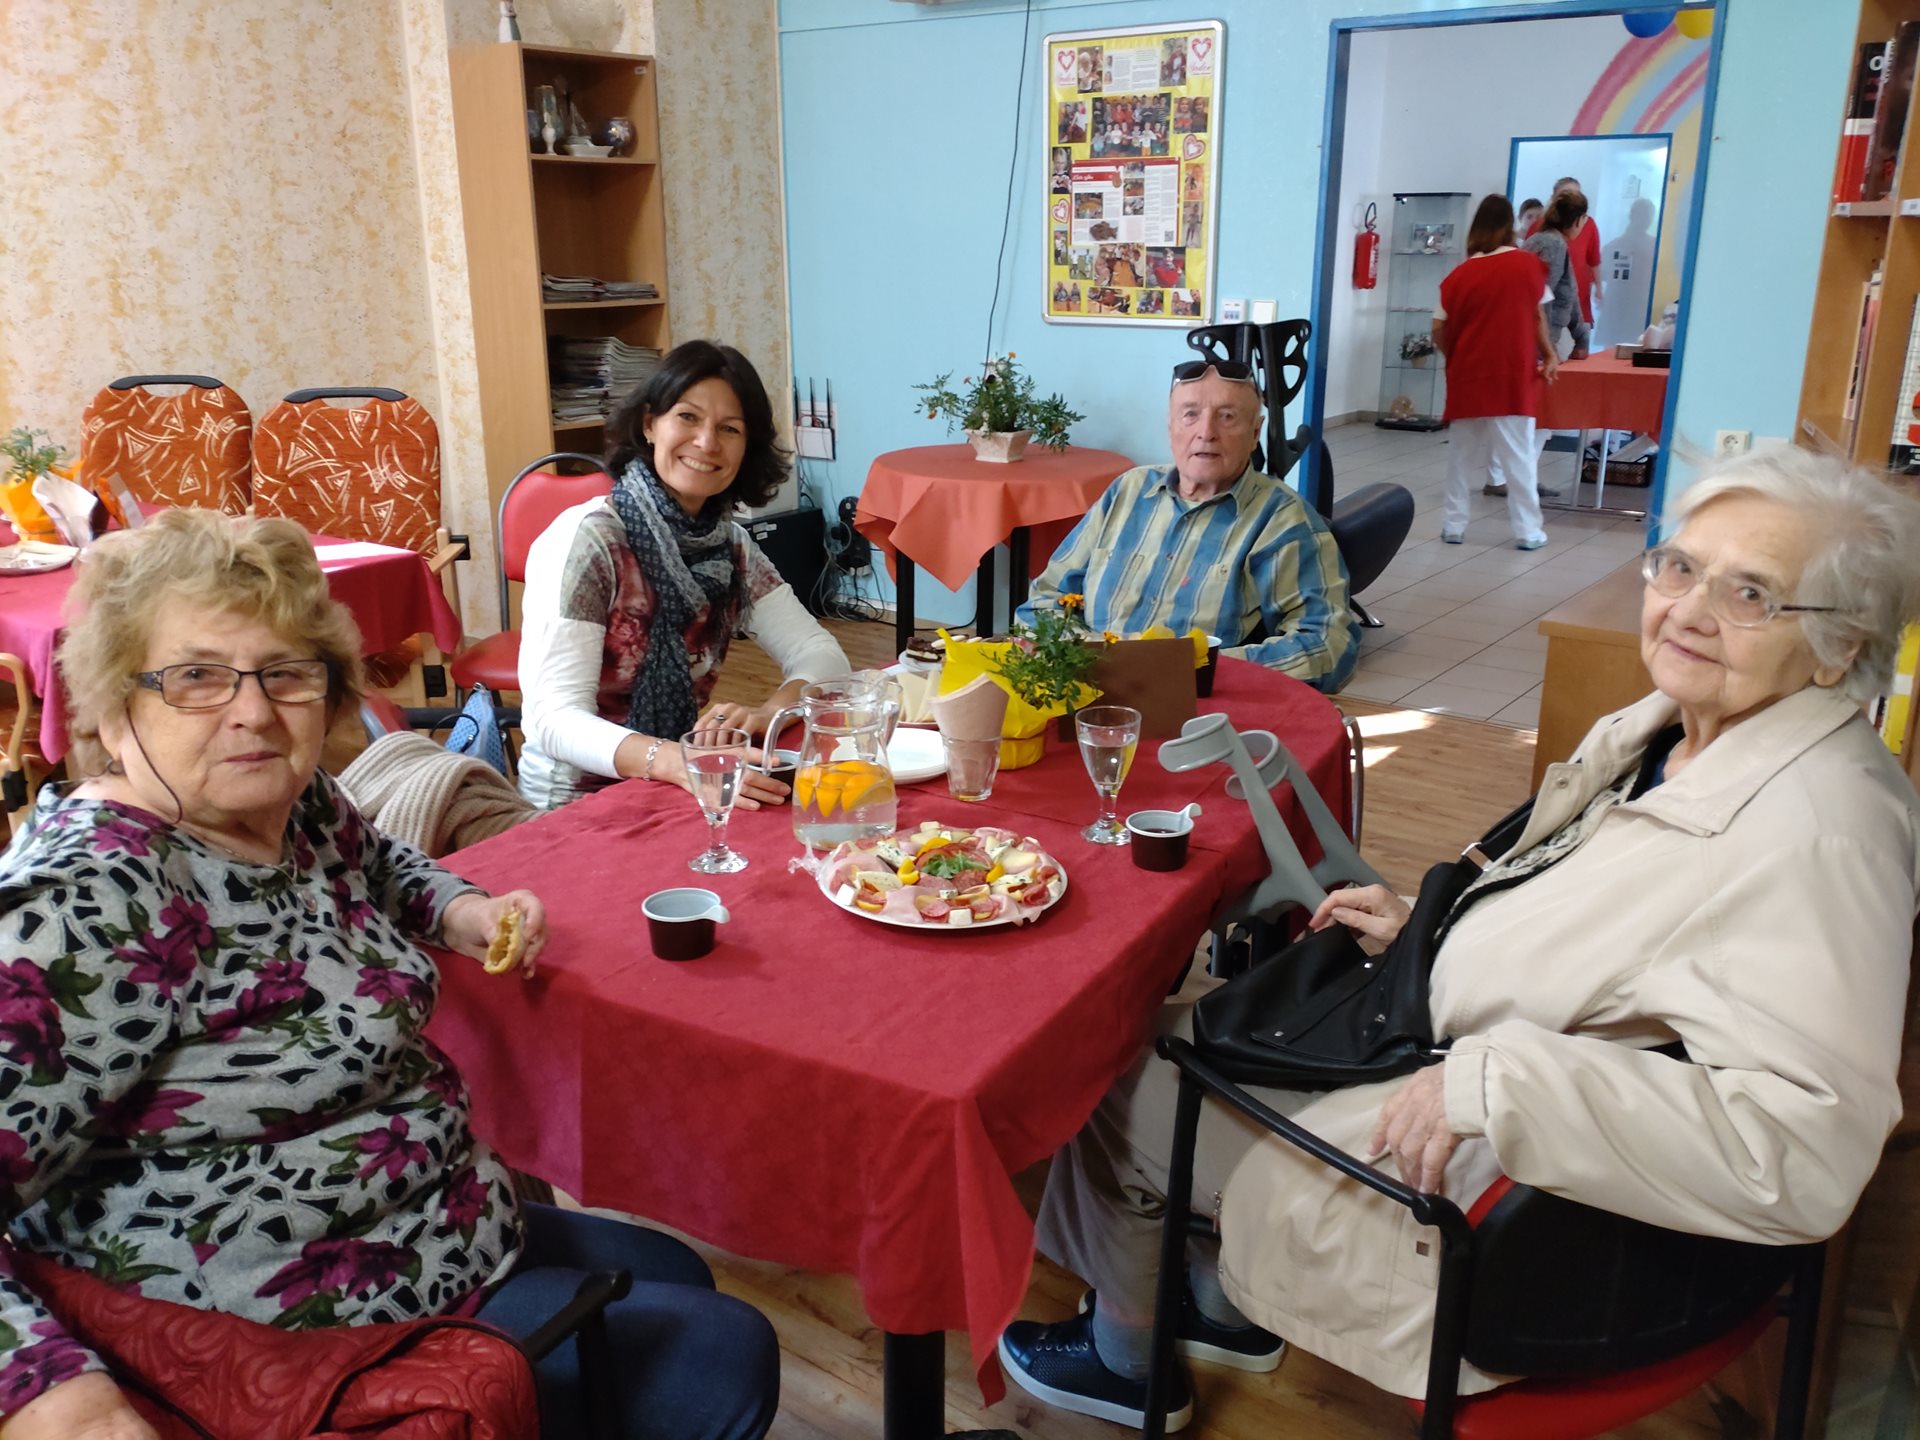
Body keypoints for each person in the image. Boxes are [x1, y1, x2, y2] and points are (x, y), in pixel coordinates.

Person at [999, 447, 1920, 1431]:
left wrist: (1500, 1085)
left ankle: (1127, 1362)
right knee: (1199, 1017)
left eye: (1751, 594)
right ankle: (1219, 1309)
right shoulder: (1675, 733)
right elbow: (1603, 926)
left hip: (1487, 1198)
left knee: (1113, 1071)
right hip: (1446, 1051)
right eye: (1682, 567)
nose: (1689, 610)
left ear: (1839, 648)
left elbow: (1800, 1153)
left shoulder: (1823, 832)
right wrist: (1430, 932)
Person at [0, 509, 781, 1440]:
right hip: (296, 1344)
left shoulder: (289, 803)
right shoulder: (89, 897)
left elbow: (380, 865)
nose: (254, 712)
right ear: (114, 705)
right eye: (196, 677)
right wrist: (49, 1395)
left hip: (437, 1218)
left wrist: (463, 911)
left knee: (680, 1274)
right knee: (725, 1354)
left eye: (286, 673)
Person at [518, 340, 848, 811]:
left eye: (729, 428)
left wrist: (768, 712)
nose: (707, 443)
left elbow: (822, 654)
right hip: (571, 801)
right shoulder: (589, 541)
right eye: (688, 417)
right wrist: (677, 761)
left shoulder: (730, 545)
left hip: (678, 782)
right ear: (649, 424)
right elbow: (554, 720)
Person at [1016, 362, 1357, 693]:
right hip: (1086, 692)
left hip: (1198, 709)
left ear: (1255, 433)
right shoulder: (1128, 491)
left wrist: (1200, 668)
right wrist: (1084, 657)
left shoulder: (1280, 518)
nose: (1206, 432)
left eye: (1227, 416)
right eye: (1190, 414)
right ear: (1171, 427)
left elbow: (1329, 644)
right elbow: (1044, 600)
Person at [1433, 194, 1559, 550]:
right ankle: (1528, 531)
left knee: (1460, 458)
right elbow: (1537, 317)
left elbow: (1437, 328)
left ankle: (1453, 525)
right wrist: (1550, 354)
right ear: (1510, 226)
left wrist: (1456, 355)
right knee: (1519, 458)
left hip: (1467, 377)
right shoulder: (1528, 266)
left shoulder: (1458, 275)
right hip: (1511, 376)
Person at [1525, 189, 1593, 360]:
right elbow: (1540, 298)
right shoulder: (1554, 245)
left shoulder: (1539, 240)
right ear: (1578, 219)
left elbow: (1568, 292)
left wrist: (1581, 338)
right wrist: (1546, 348)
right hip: (1535, 346)